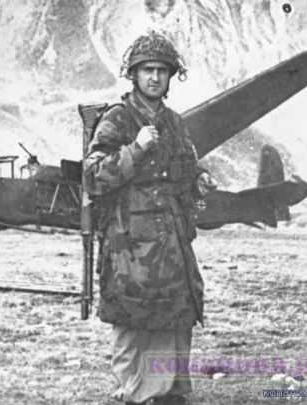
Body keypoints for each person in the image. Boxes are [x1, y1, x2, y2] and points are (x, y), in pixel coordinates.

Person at [84, 31, 215, 405]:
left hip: (172, 238)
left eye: (162, 70)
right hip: (130, 241)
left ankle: (171, 389)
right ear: (134, 75)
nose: (155, 77)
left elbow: (186, 167)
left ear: (171, 76)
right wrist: (135, 149)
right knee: (134, 315)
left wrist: (199, 180)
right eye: (147, 70)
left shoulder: (174, 122)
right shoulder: (117, 118)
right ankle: (136, 392)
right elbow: (93, 177)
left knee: (177, 311)